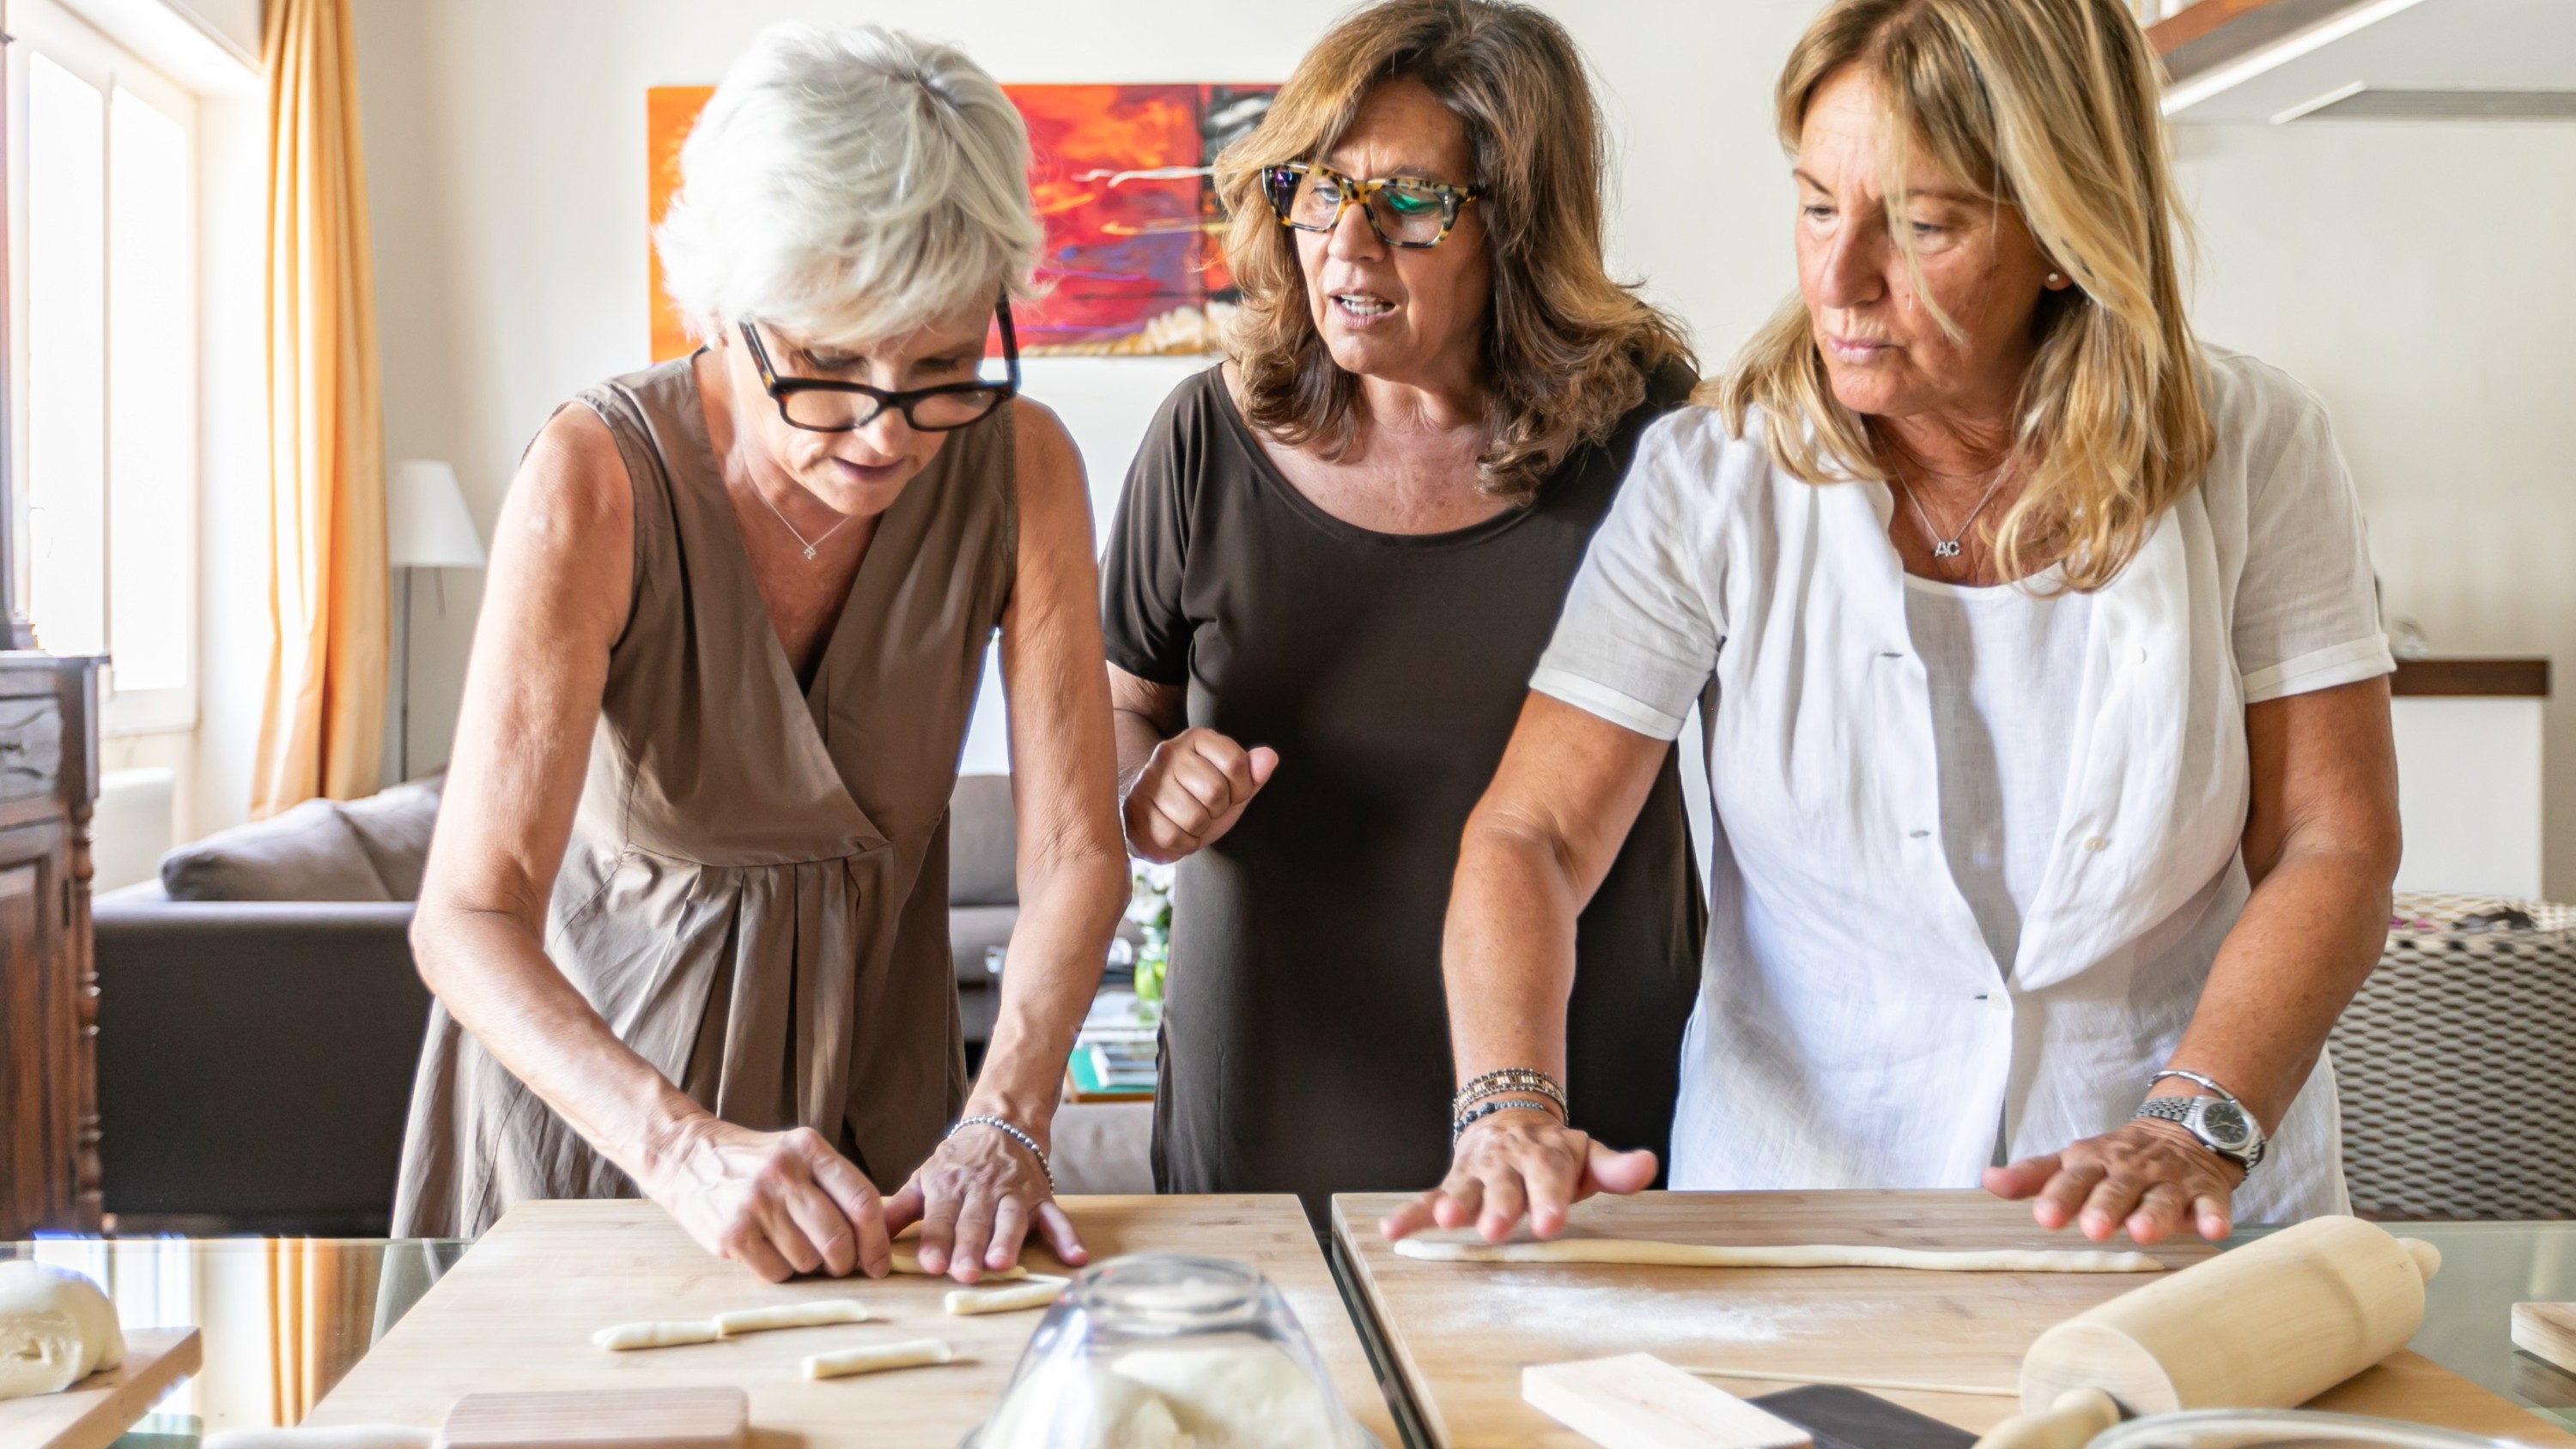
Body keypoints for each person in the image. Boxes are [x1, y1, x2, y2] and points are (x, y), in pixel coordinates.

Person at [1388, 0, 2400, 1248]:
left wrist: (2195, 1122)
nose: (1842, 278)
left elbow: (2331, 843)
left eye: (1923, 226)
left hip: (2183, 1212)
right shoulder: (1714, 477)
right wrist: (1507, 1106)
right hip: (1802, 1218)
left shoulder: (2256, 449)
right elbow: (1535, 832)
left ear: (2065, 231)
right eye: (1818, 205)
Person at [392, 24, 1128, 1283]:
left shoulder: (1022, 465)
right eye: (831, 363)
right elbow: (466, 916)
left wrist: (1003, 1118)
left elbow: (1072, 853)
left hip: (886, 1139)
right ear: (723, 308)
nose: (886, 431)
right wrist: (679, 1149)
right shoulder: (596, 480)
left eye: (944, 365)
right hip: (606, 1136)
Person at [1102, 0, 1704, 1223]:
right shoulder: (1204, 442)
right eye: (1316, 192)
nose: (1347, 246)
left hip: (1585, 1070)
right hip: (1275, 1055)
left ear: (1517, 224)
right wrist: (1145, 790)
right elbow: (1121, 707)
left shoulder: (1650, 432)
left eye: (1411, 203)